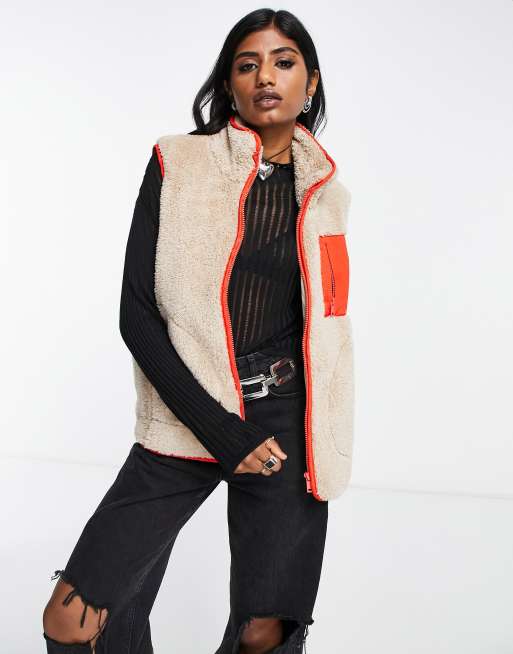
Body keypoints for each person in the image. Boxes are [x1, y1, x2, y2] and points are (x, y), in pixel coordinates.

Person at [41, 8, 354, 653]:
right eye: (247, 65)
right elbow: (136, 312)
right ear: (228, 83)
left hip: (287, 419)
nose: (265, 77)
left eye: (284, 62)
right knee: (73, 618)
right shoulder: (177, 163)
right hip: (189, 409)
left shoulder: (328, 192)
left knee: (265, 631)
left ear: (311, 82)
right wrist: (222, 431)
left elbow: (326, 322)